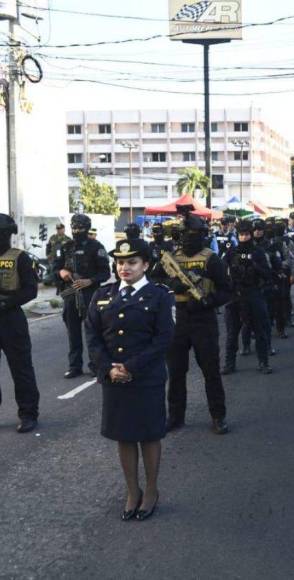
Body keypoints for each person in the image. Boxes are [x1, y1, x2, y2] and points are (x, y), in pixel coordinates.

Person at [86, 238, 175, 522]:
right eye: (120, 262)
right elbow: (93, 335)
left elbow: (163, 339)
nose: (124, 267)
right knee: (123, 435)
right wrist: (108, 368)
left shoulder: (160, 296)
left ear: (146, 265)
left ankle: (151, 490)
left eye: (132, 262)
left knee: (148, 434)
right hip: (113, 377)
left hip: (145, 377)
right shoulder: (104, 293)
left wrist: (130, 367)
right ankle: (131, 490)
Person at [163, 215, 232, 435]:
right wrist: (171, 285)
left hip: (204, 319)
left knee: (211, 371)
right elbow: (155, 283)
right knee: (175, 372)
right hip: (178, 319)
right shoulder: (171, 258)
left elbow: (226, 290)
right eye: (184, 235)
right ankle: (175, 416)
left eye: (192, 235)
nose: (188, 239)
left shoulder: (212, 259)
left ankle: (218, 416)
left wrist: (209, 301)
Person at [53, 214, 111, 379]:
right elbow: (54, 269)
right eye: (75, 228)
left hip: (90, 295)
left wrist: (89, 281)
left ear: (87, 228)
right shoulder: (65, 247)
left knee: (93, 333)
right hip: (71, 295)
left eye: (81, 228)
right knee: (73, 333)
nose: (77, 231)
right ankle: (75, 366)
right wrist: (60, 272)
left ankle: (96, 365)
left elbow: (105, 273)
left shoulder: (96, 247)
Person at [0, 214, 40, 433]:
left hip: (11, 320)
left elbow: (31, 289)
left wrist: (7, 303)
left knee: (21, 369)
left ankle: (28, 414)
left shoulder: (20, 258)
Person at [222, 220, 273, 375]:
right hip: (235, 295)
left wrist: (254, 266)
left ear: (250, 235)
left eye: (246, 234)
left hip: (253, 293)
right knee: (232, 333)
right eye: (241, 235)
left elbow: (268, 274)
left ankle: (263, 362)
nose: (243, 238)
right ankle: (229, 364)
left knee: (260, 331)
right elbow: (221, 270)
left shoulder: (258, 252)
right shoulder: (232, 251)